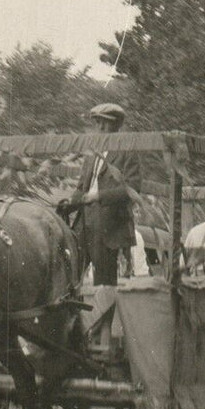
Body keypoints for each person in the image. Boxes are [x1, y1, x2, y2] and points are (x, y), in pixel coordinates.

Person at [60, 102, 139, 286]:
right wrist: (69, 204)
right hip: (83, 225)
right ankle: (75, 315)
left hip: (108, 226)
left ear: (117, 125)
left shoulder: (127, 152)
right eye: (97, 122)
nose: (100, 127)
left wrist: (98, 196)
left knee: (104, 284)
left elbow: (133, 188)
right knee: (70, 279)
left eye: (105, 122)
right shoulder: (92, 153)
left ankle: (104, 315)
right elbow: (81, 188)